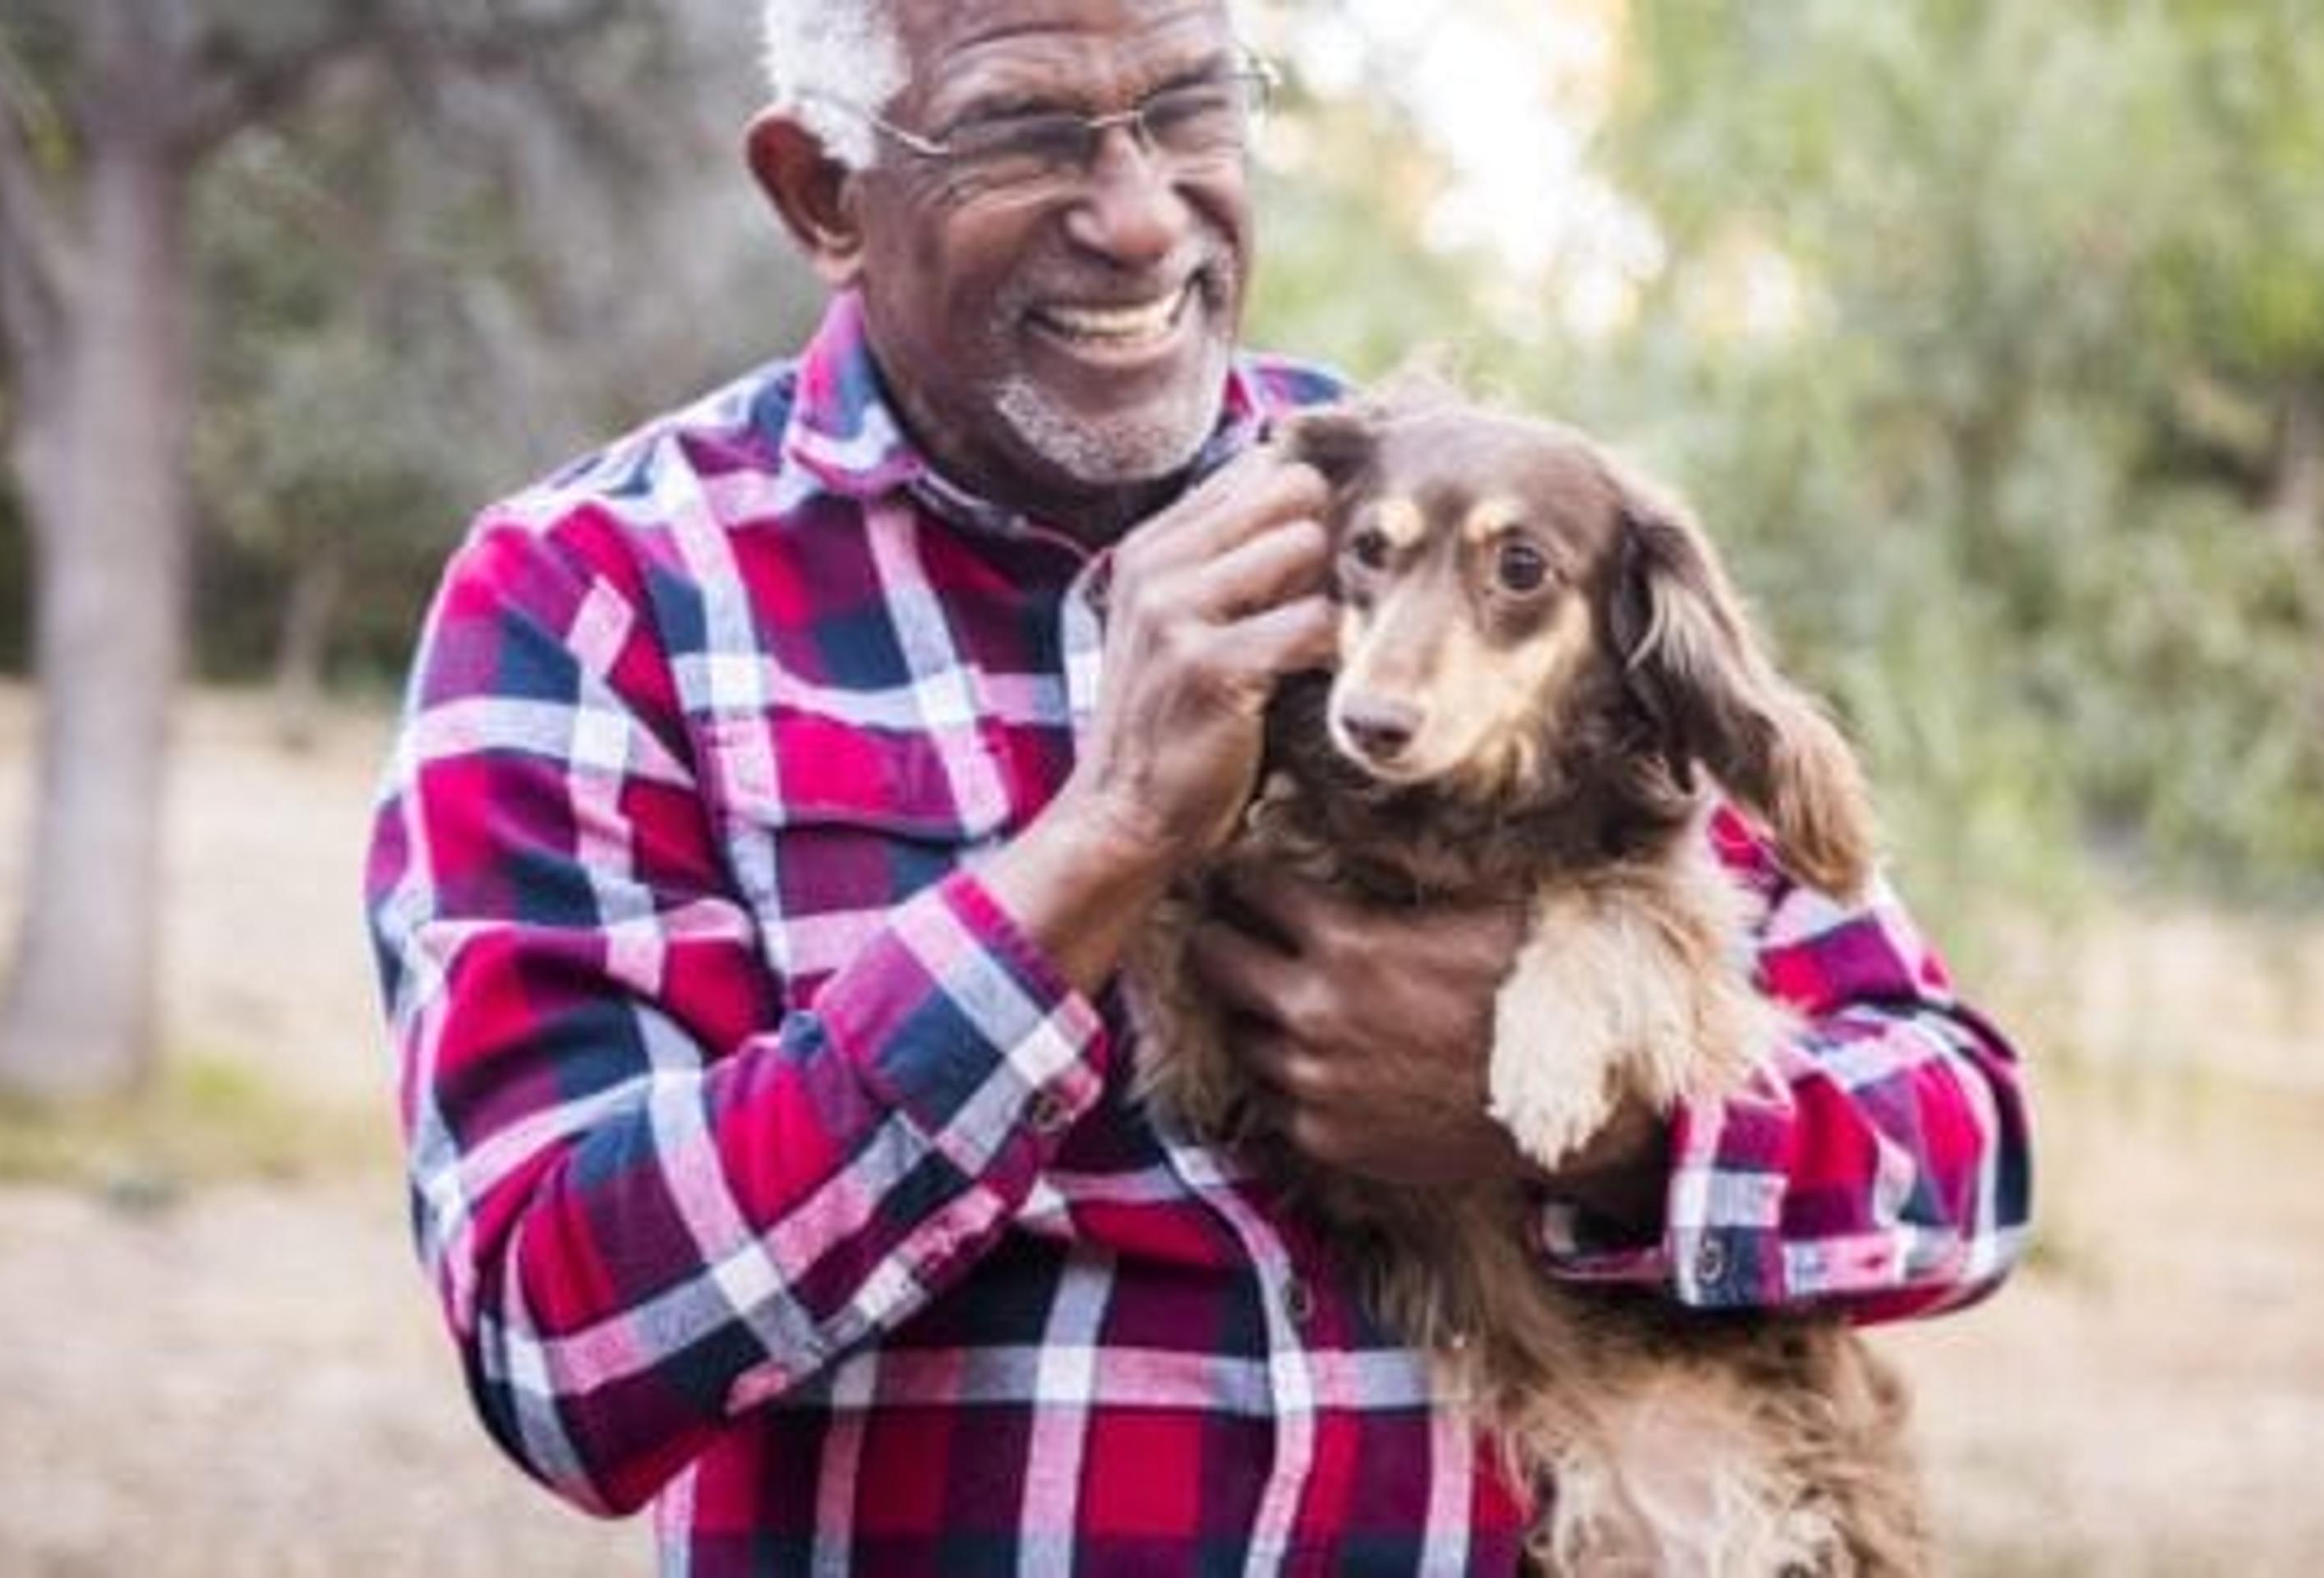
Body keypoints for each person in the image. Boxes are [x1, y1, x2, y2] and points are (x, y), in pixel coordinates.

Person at [363, 0, 2032, 1570]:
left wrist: (1598, 1140)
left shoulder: (1444, 529)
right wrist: (1099, 847)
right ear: (824, 192)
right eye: (1023, 134)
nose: (1145, 218)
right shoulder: (600, 600)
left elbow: (1966, 1162)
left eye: (1190, 107)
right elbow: (562, 1344)